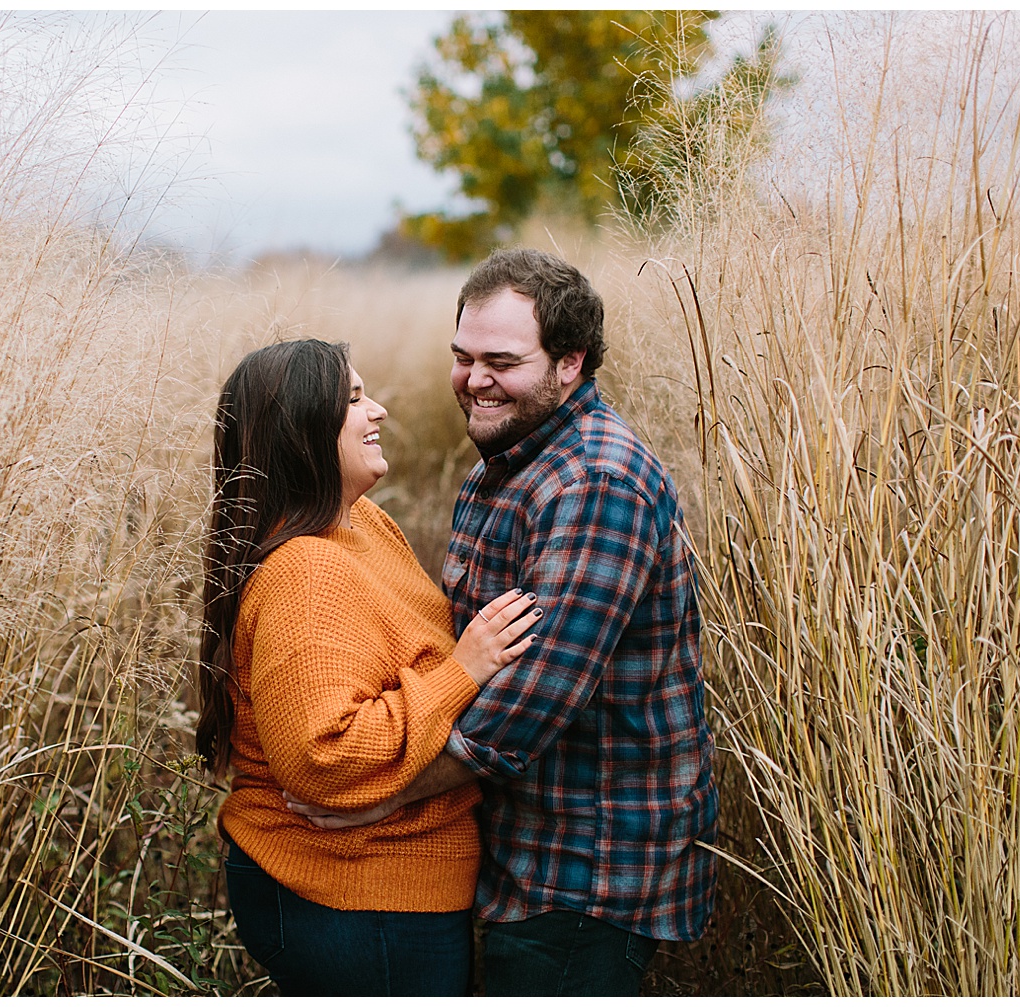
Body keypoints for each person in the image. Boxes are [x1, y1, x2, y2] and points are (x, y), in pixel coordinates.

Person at [287, 249, 719, 996]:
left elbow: (522, 708)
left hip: (588, 868)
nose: (475, 380)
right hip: (521, 846)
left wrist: (374, 798)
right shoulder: (510, 460)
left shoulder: (594, 484)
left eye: (501, 360)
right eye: (463, 358)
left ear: (570, 362)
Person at [196, 338, 544, 996]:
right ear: (302, 431)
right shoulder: (304, 571)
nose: (378, 409)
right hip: (352, 889)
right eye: (354, 399)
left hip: (383, 886)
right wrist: (462, 671)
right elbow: (323, 754)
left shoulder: (363, 524)